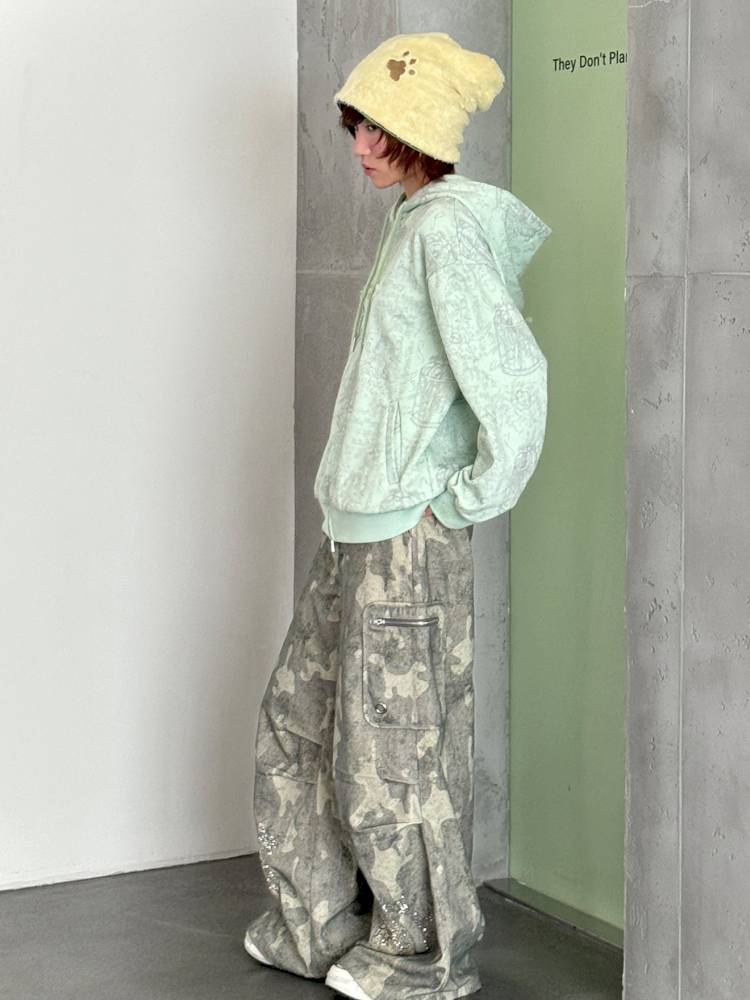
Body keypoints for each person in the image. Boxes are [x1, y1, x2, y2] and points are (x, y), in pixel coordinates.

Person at [244, 31, 551, 1000]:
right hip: (354, 527)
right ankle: (322, 922)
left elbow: (513, 381)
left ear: (425, 131)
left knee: (396, 751)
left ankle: (423, 956)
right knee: (298, 724)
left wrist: (461, 499)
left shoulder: (446, 232)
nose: (362, 147)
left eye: (380, 128)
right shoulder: (411, 224)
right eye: (356, 126)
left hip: (407, 535)